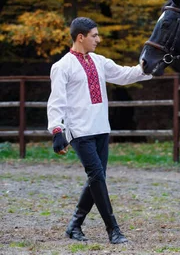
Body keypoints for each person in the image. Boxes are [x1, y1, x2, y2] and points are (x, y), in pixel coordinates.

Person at [47, 17, 152, 244]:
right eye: (94, 36)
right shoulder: (62, 66)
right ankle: (113, 229)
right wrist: (57, 130)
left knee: (97, 178)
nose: (99, 39)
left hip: (101, 128)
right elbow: (56, 102)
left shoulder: (99, 61)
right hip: (79, 132)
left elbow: (125, 75)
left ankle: (75, 224)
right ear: (80, 37)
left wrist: (148, 67)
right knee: (96, 176)